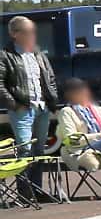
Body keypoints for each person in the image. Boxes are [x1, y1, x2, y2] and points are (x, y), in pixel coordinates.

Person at [2, 15, 60, 162]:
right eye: (27, 31)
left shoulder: (38, 54)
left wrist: (50, 101)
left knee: (40, 151)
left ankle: (37, 186)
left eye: (33, 31)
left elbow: (50, 78)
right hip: (22, 110)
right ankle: (25, 186)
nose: (32, 35)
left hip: (42, 108)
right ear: (15, 34)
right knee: (25, 151)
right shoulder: (5, 56)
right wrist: (15, 105)